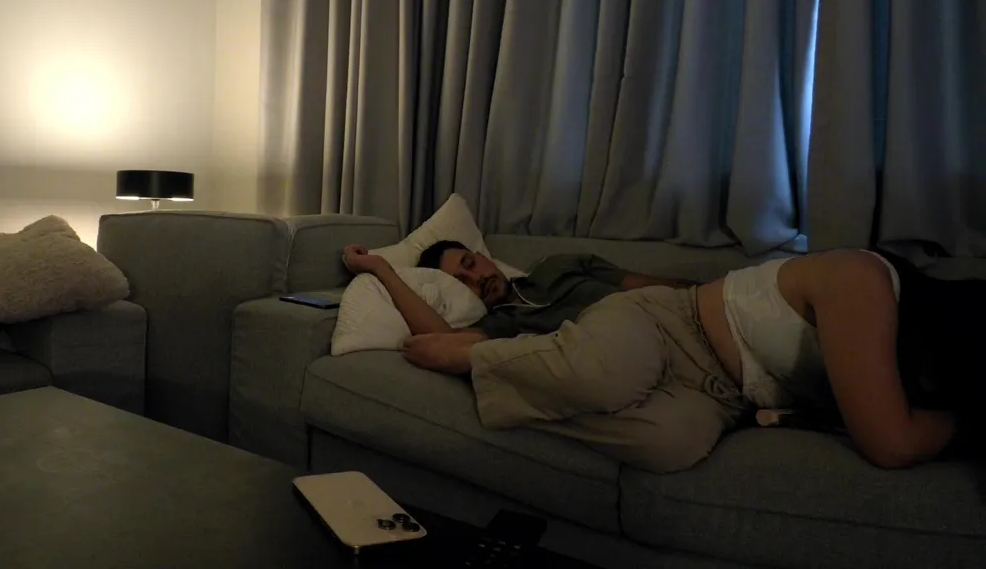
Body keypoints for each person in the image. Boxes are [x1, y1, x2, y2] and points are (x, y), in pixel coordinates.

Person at [341, 242, 983, 472]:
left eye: (470, 261)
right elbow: (431, 332)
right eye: (459, 278)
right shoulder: (504, 320)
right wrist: (383, 271)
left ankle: (508, 372)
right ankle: (507, 367)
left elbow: (647, 287)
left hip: (665, 327)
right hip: (612, 364)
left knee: (635, 409)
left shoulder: (556, 268)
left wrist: (713, 290)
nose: (475, 275)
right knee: (648, 425)